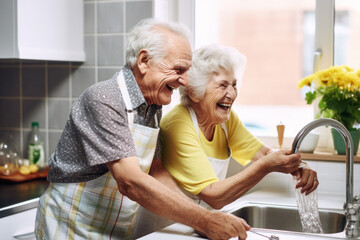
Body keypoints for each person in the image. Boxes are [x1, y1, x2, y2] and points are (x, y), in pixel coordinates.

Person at [34, 19, 250, 240]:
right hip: (71, 228)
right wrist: (205, 220)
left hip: (115, 230)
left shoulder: (153, 105)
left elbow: (156, 173)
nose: (185, 81)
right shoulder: (104, 99)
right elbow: (130, 182)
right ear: (144, 61)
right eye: (179, 69)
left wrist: (203, 218)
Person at [160, 44, 319, 210]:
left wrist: (297, 166)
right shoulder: (177, 124)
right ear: (194, 92)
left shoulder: (224, 120)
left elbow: (263, 153)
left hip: (201, 220)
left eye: (234, 85)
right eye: (223, 85)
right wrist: (266, 166)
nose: (232, 94)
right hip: (168, 226)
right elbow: (213, 195)